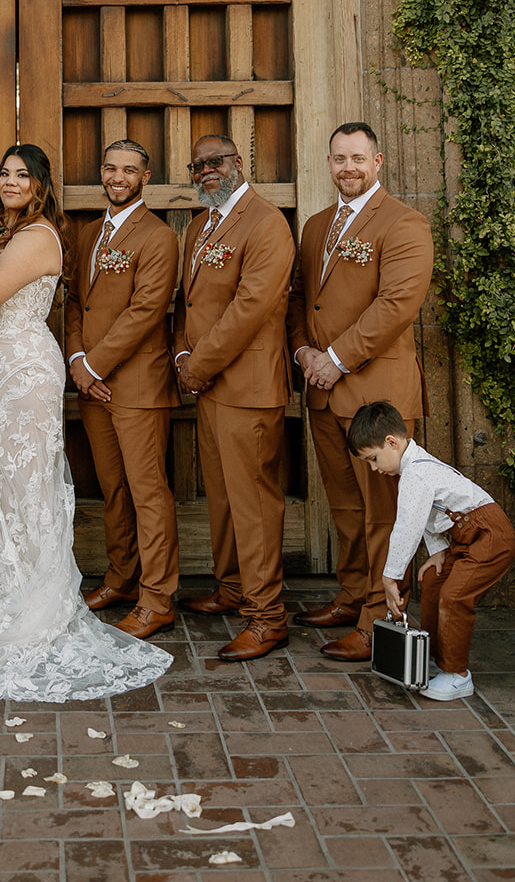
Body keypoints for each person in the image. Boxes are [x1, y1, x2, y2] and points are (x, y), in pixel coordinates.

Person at [0, 144, 173, 701]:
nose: (11, 182)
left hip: (20, 372)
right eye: (4, 173)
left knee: (22, 486)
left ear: (41, 185)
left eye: (22, 175)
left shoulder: (37, 237)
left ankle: (32, 601)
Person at [288, 121, 434, 661]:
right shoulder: (316, 226)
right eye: (338, 159)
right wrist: (304, 352)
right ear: (328, 164)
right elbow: (302, 299)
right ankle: (352, 595)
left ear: (378, 162)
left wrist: (337, 359)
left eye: (357, 158)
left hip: (376, 397)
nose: (347, 167)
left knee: (382, 516)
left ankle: (379, 618)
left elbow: (396, 306)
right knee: (345, 509)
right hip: (323, 392)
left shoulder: (404, 223)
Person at [173, 133, 297, 661]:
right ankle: (231, 587)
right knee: (222, 497)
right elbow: (189, 302)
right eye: (197, 164)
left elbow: (250, 307)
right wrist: (182, 355)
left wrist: (196, 365)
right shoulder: (200, 226)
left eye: (216, 161)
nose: (207, 171)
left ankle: (267, 616)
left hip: (247, 386)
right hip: (209, 385)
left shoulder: (267, 223)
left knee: (254, 504)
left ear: (239, 162)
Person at [64, 139, 181, 640]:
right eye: (110, 167)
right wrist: (75, 360)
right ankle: (122, 577)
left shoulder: (158, 237)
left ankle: (158, 598)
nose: (118, 177)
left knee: (148, 492)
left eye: (129, 170)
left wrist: (95, 365)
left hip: (135, 385)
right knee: (113, 489)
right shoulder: (88, 232)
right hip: (92, 386)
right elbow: (74, 300)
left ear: (145, 177)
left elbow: (145, 312)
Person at [347, 400, 515, 700]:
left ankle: (457, 675)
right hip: (466, 537)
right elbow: (430, 513)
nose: (374, 469)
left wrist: (391, 576)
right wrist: (437, 550)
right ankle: (434, 656)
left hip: (490, 536)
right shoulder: (415, 468)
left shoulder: (416, 474)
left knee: (455, 595)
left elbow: (408, 525)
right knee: (436, 582)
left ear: (392, 442)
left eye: (373, 459)